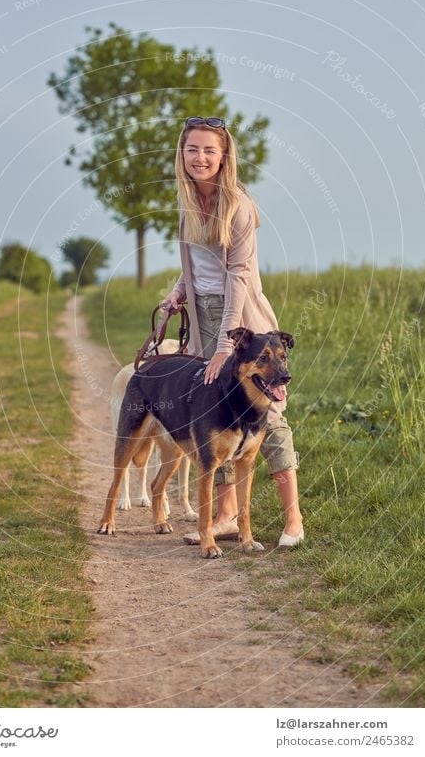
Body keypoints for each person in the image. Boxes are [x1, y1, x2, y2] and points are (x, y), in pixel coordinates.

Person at [162, 116, 304, 547]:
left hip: (240, 315)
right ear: (182, 155)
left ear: (224, 157)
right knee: (215, 408)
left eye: (209, 150)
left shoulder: (238, 205)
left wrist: (226, 346)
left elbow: (238, 277)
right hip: (205, 314)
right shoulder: (187, 201)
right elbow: (196, 266)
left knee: (269, 412)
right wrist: (177, 293)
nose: (200, 158)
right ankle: (225, 517)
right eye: (193, 150)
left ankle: (293, 519)